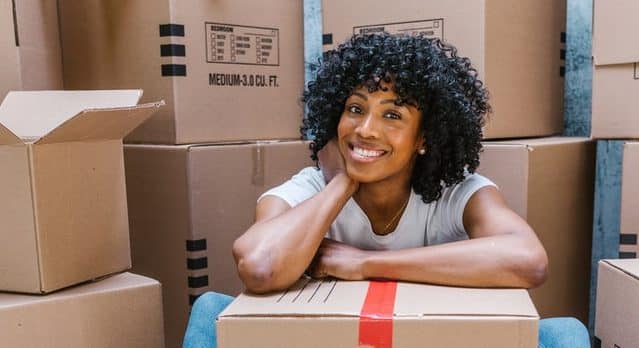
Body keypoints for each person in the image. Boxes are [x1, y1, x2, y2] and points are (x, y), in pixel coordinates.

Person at [183, 33, 589, 348]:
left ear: (423, 139)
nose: (365, 129)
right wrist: (343, 180)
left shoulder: (459, 194)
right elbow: (259, 267)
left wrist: (363, 264)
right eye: (355, 109)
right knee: (210, 310)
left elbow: (529, 261)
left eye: (392, 114)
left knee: (564, 334)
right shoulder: (307, 189)